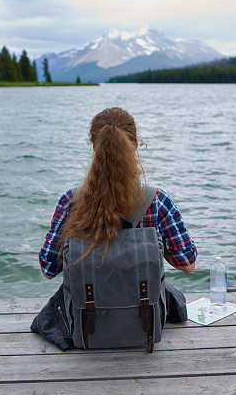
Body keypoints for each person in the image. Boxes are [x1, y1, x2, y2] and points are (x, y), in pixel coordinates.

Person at [38, 106, 197, 280]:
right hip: (143, 305)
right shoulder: (157, 201)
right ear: (135, 144)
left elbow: (49, 269)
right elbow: (187, 264)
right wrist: (153, 244)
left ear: (94, 147)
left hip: (87, 305)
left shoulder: (71, 201)